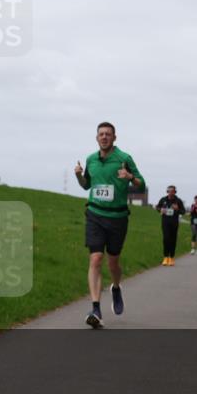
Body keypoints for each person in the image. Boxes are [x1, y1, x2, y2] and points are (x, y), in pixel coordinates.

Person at [74, 122, 146, 328]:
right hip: (95, 214)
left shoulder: (124, 158)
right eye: (101, 134)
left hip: (117, 218)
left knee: (113, 262)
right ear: (96, 138)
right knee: (96, 259)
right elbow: (86, 185)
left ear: (115, 138)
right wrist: (79, 174)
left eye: (108, 134)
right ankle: (95, 309)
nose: (104, 137)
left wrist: (130, 177)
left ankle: (115, 287)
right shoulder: (91, 159)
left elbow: (141, 183)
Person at [155, 185, 186, 266]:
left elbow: (183, 211)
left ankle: (171, 258)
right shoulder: (163, 199)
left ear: (175, 192)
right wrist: (160, 209)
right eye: (169, 191)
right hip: (165, 222)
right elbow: (157, 207)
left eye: (172, 191)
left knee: (173, 240)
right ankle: (165, 257)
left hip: (174, 223)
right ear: (167, 192)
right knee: (166, 239)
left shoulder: (178, 201)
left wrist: (177, 209)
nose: (170, 193)